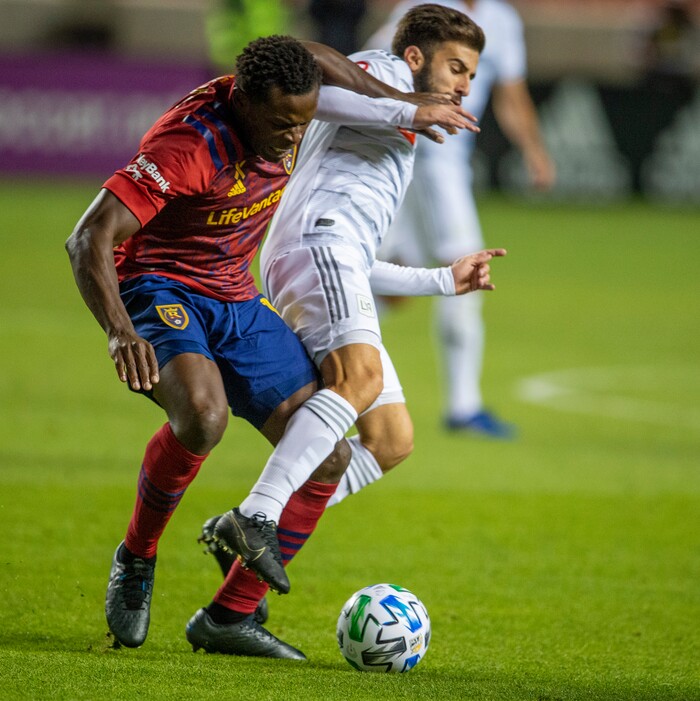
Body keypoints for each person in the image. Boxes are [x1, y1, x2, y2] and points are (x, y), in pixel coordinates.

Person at [65, 34, 478, 657]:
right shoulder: (190, 145)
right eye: (283, 123)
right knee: (204, 417)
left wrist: (401, 102)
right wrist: (120, 330)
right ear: (246, 102)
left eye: (304, 120)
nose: (294, 137)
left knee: (330, 458)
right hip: (160, 283)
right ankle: (138, 556)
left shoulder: (292, 103)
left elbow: (319, 58)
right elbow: (89, 236)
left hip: (234, 293)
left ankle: (229, 617)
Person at [196, 4, 504, 652]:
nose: (463, 86)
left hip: (334, 256)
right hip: (315, 246)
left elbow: (359, 263)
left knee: (390, 438)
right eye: (455, 67)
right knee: (358, 380)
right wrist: (411, 108)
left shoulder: (400, 124)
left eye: (472, 76)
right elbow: (321, 91)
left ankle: (233, 596)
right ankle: (255, 513)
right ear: (416, 58)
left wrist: (443, 280)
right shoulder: (380, 71)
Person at [366, 0, 555, 438]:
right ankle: (463, 407)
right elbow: (373, 64)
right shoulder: (427, 11)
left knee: (400, 278)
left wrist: (534, 150)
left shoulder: (503, 20)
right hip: (429, 153)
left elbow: (511, 93)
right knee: (468, 268)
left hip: (443, 158)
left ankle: (314, 355)